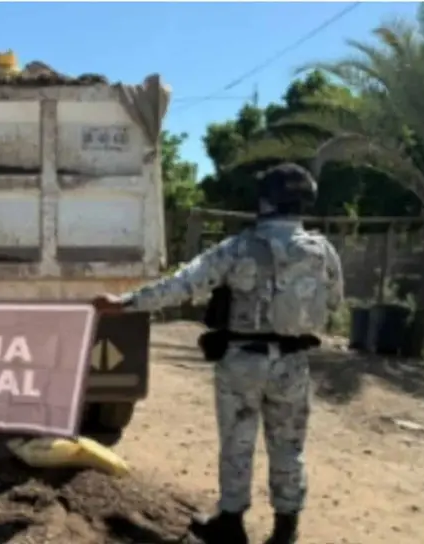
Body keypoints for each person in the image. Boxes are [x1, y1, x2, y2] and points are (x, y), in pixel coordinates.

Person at [92, 163, 343, 544]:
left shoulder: (239, 247)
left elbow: (183, 285)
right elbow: (335, 302)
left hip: (242, 360)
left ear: (266, 201)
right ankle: (285, 530)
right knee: (289, 446)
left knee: (238, 442)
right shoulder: (323, 252)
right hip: (293, 363)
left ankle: (231, 523)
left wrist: (125, 303)